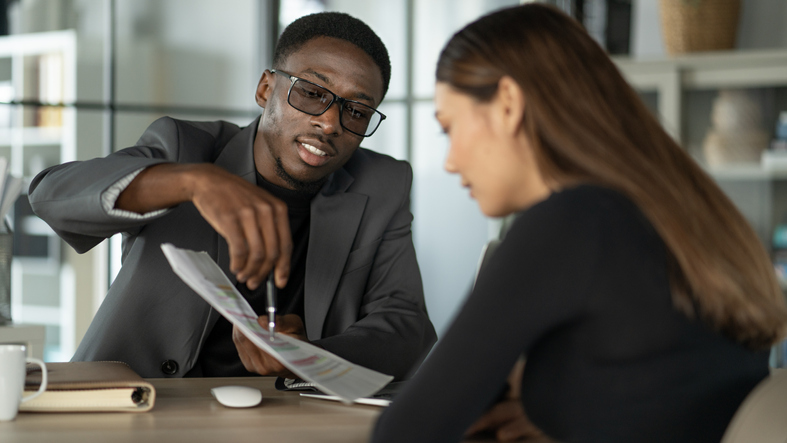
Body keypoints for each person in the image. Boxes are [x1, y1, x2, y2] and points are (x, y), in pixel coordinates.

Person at [371, 4, 787, 443]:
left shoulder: (571, 222)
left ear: (508, 104)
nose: (451, 161)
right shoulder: (687, 215)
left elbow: (403, 432)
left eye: (449, 128)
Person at [29, 12, 436, 381]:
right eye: (312, 92)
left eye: (357, 111)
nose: (330, 123)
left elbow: (407, 326)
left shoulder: (382, 184)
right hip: (138, 403)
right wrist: (191, 181)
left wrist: (311, 357)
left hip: (282, 416)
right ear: (265, 89)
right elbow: (50, 195)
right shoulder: (184, 148)